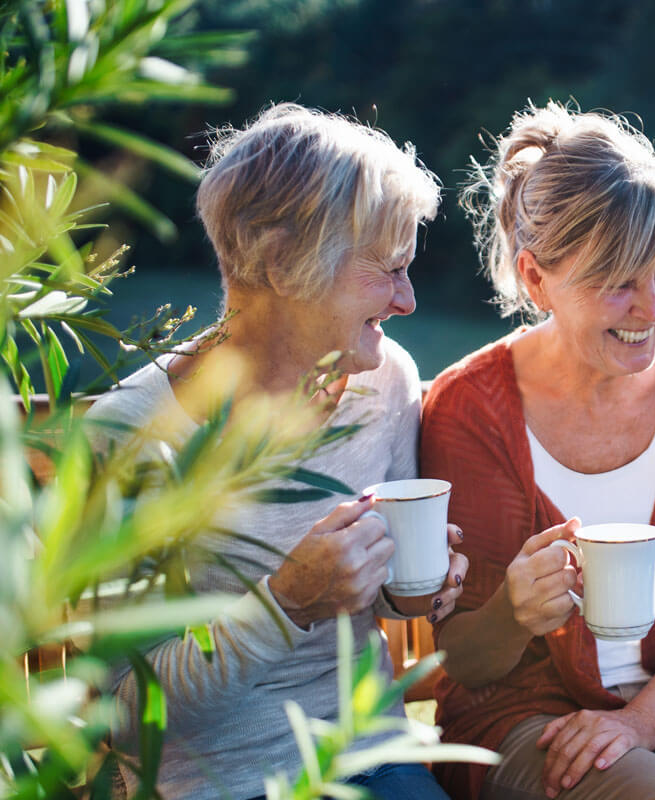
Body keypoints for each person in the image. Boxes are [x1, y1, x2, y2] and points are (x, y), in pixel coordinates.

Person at [86, 103, 467, 800]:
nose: (408, 300)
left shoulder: (385, 379)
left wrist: (416, 583)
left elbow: (389, 608)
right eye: (388, 269)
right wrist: (287, 604)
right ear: (282, 262)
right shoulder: (132, 434)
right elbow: (130, 711)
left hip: (371, 760)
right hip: (216, 786)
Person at [420, 101, 655, 800]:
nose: (651, 308)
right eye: (617, 283)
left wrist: (641, 720)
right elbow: (466, 660)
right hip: (519, 722)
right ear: (536, 277)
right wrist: (515, 611)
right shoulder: (470, 408)